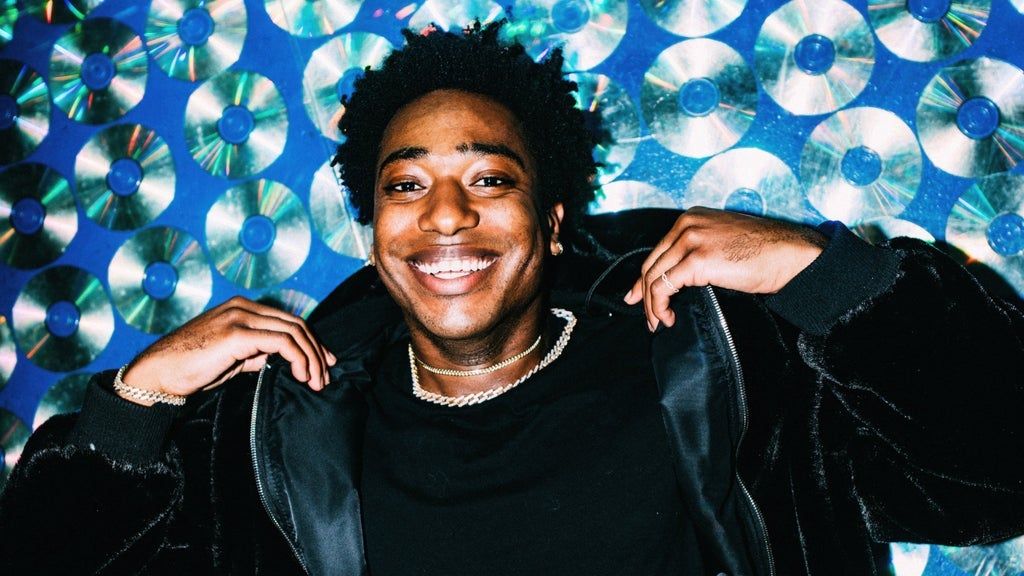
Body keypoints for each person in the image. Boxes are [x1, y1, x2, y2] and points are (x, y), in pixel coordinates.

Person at [2, 21, 1023, 576]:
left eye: (489, 179)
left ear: (553, 218)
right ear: (373, 228)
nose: (446, 216)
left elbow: (998, 469)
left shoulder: (727, 362)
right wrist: (134, 404)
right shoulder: (270, 433)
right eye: (406, 185)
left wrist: (825, 275)